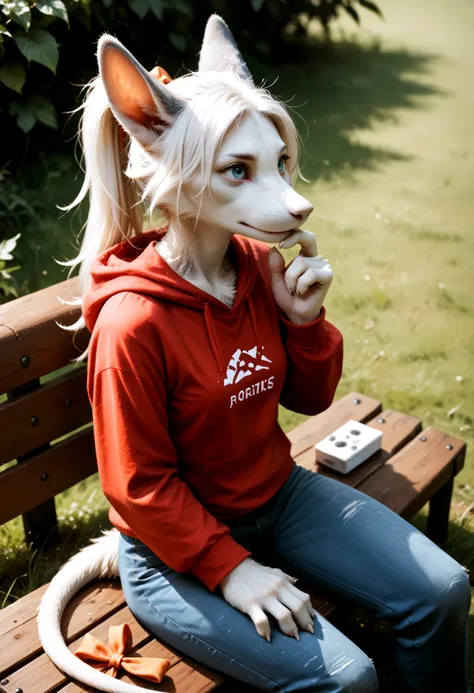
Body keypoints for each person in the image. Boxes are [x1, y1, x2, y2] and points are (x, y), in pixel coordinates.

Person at [39, 14, 471, 693]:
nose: (292, 201)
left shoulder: (250, 262)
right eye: (237, 170)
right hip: (173, 555)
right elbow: (137, 487)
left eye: (277, 165)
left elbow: (310, 397)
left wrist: (303, 322)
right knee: (349, 678)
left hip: (278, 494)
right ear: (169, 165)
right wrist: (231, 566)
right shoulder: (133, 321)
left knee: (444, 590)